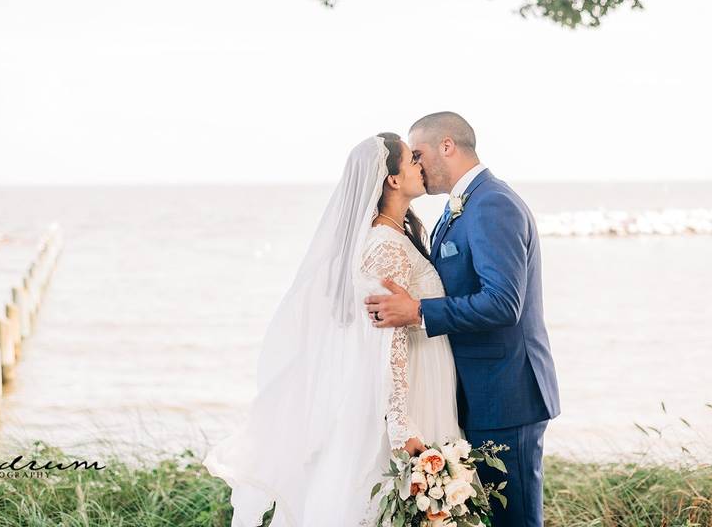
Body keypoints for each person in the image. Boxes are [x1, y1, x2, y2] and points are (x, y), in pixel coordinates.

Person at [203, 132, 461, 527]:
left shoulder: (395, 236)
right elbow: (387, 339)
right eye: (412, 161)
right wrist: (401, 424)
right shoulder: (386, 245)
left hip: (422, 380)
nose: (420, 167)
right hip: (410, 393)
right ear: (391, 178)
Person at [366, 111, 560, 527]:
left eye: (418, 153)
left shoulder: (493, 204)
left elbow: (504, 303)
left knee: (517, 521)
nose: (415, 164)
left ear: (447, 146)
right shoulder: (457, 209)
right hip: (474, 396)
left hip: (506, 395)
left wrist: (418, 312)